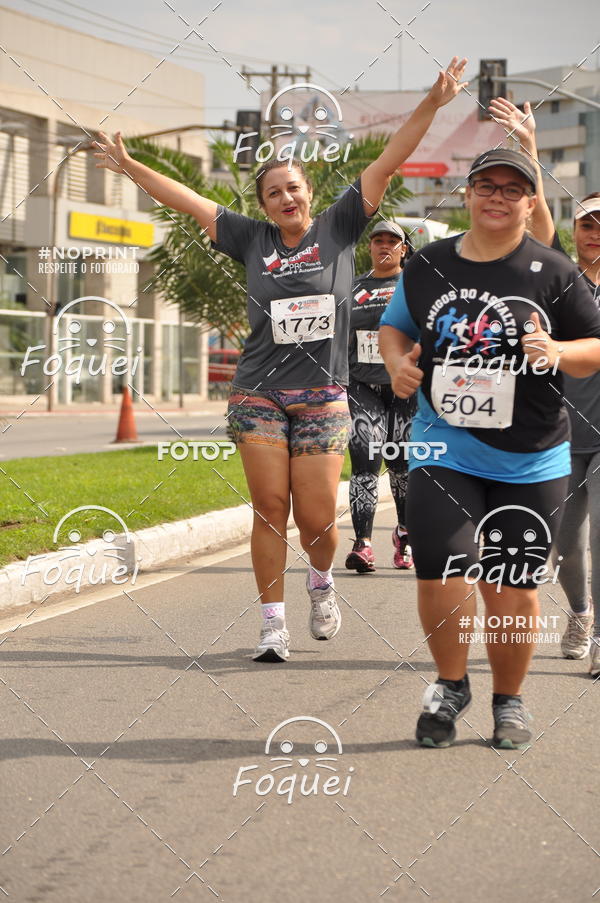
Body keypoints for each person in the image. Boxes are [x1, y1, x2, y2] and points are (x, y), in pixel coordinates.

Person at [94, 59, 467, 664]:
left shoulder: (342, 225)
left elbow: (390, 158)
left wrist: (431, 102)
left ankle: (320, 583)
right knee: (269, 508)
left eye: (293, 187)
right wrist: (131, 165)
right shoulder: (249, 239)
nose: (285, 197)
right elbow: (188, 200)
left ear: (309, 194)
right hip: (258, 392)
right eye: (273, 192)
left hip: (322, 395)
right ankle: (272, 624)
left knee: (318, 520)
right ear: (264, 205)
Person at [379, 147, 600, 749]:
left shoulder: (555, 272)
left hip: (532, 456)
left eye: (512, 188)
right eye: (486, 185)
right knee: (442, 572)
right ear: (469, 193)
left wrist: (558, 353)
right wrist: (398, 362)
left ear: (531, 201)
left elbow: (596, 342)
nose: (497, 196)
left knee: (510, 585)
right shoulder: (426, 265)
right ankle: (451, 686)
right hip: (440, 446)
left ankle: (509, 700)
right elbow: (394, 326)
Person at [490, 97, 600, 679]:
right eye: (587, 222)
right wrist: (529, 145)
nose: (595, 232)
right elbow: (537, 225)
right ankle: (579, 612)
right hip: (560, 432)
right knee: (566, 544)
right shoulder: (559, 278)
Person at [345, 221, 416, 573]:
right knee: (365, 460)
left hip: (403, 387)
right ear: (369, 247)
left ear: (404, 248)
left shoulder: (414, 284)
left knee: (401, 466)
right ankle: (363, 544)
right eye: (378, 240)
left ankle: (404, 536)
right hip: (362, 385)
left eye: (393, 241)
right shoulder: (353, 287)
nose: (384, 246)